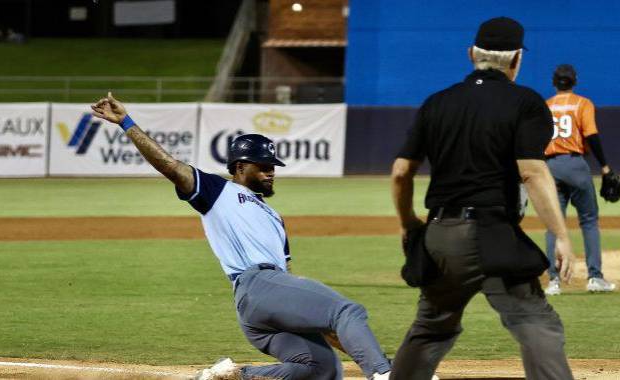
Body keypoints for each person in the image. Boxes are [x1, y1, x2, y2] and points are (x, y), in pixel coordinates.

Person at [90, 93, 394, 380]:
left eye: (273, 167)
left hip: (265, 305)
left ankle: (231, 376)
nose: (271, 172)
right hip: (256, 286)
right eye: (263, 166)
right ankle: (387, 373)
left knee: (322, 368)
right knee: (345, 310)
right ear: (240, 167)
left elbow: (303, 302)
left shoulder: (276, 219)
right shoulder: (217, 190)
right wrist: (127, 123)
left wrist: (358, 349)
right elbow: (169, 165)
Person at [389, 17, 575, 380]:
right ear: (517, 59)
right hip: (491, 233)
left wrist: (408, 222)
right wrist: (562, 236)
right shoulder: (526, 102)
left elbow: (400, 172)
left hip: (439, 233)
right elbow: (532, 172)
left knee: (430, 328)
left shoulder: (437, 102)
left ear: (472, 53)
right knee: (536, 322)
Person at [543, 64, 617, 295]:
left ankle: (553, 281)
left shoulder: (546, 106)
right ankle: (595, 277)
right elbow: (591, 136)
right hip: (575, 165)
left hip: (550, 166)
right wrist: (604, 166)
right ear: (574, 81)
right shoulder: (582, 103)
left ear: (555, 83)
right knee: (588, 220)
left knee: (554, 224)